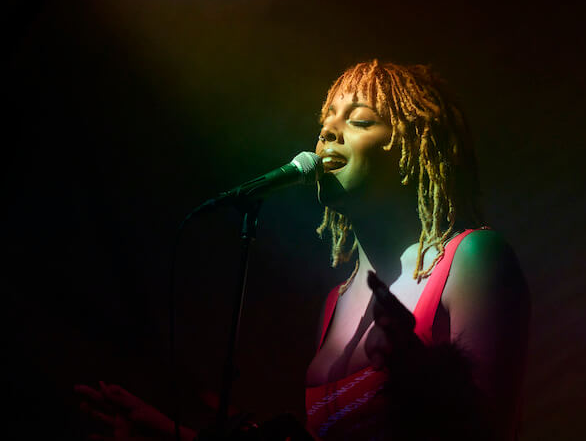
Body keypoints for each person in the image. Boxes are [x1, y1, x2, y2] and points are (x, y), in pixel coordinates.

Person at [75, 60, 530, 440]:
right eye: (325, 124)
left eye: (359, 120)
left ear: (413, 146)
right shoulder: (334, 304)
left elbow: (488, 430)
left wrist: (420, 377)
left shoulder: (473, 258)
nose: (328, 132)